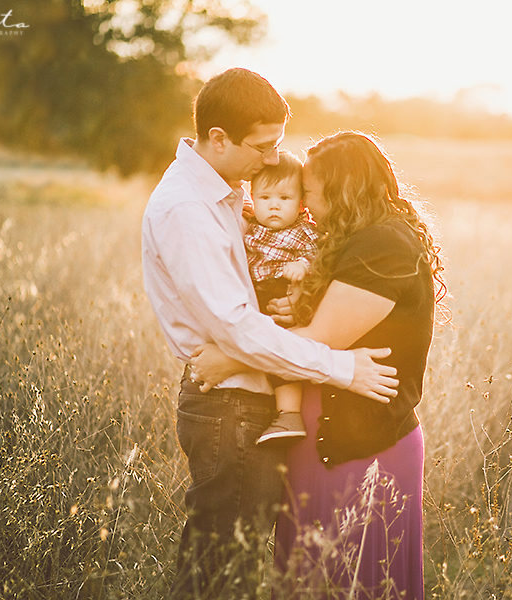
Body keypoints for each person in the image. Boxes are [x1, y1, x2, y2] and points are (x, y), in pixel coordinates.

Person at [140, 69, 399, 599]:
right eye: (263, 146)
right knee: (219, 569)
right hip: (230, 410)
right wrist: (344, 369)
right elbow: (235, 328)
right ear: (219, 139)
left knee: (227, 559)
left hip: (242, 399)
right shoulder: (188, 209)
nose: (273, 159)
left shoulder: (223, 195)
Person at [191, 131, 446, 599]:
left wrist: (226, 359)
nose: (303, 200)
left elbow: (321, 338)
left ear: (341, 189)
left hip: (362, 445)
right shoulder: (346, 239)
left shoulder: (383, 245)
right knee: (309, 579)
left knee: (359, 580)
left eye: (309, 189)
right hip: (320, 437)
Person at [243, 151, 317, 443]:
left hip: (282, 291)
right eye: (265, 198)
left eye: (284, 199)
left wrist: (303, 266)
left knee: (281, 349)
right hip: (255, 298)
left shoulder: (303, 233)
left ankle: (289, 414)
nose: (274, 205)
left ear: (300, 204)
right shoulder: (253, 227)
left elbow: (322, 256)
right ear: (253, 198)